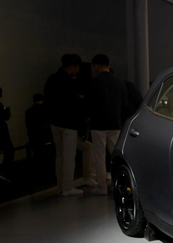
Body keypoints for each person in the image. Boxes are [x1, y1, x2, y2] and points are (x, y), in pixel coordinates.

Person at [44, 54, 86, 196]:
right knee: (69, 156)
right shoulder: (70, 82)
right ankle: (68, 187)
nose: (77, 71)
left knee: (60, 155)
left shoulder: (51, 79)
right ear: (73, 66)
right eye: (77, 68)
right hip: (69, 123)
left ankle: (61, 186)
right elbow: (74, 103)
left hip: (55, 123)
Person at [87, 54, 128, 195]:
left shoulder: (93, 82)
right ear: (108, 64)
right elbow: (124, 104)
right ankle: (120, 184)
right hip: (115, 123)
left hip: (98, 124)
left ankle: (102, 187)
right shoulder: (119, 82)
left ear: (95, 65)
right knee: (117, 155)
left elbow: (88, 103)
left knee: (99, 156)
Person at [25, 93, 54, 181]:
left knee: (37, 155)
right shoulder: (45, 110)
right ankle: (49, 174)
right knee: (49, 155)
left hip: (34, 136)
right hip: (45, 136)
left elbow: (28, 124)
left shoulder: (29, 111)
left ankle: (38, 175)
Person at [0, 86, 13, 176]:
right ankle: (5, 171)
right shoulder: (0, 105)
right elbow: (5, 117)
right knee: (9, 150)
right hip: (2, 130)